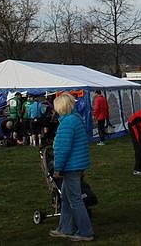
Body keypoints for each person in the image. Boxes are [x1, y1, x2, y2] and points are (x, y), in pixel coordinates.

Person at [49, 92, 94, 242]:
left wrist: (57, 168)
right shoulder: (76, 119)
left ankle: (85, 231)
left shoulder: (66, 123)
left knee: (74, 199)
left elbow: (63, 149)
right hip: (77, 164)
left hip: (71, 166)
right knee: (66, 198)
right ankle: (66, 228)